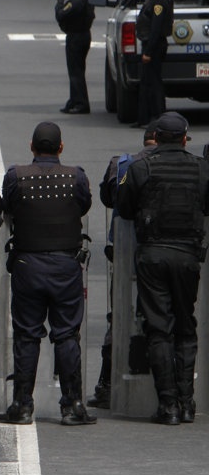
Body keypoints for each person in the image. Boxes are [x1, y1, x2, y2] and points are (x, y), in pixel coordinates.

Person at [0, 122, 94, 426]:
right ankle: (73, 405)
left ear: (32, 146)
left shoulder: (16, 176)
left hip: (28, 265)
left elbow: (8, 207)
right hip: (65, 266)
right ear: (61, 147)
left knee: (27, 335)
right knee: (66, 334)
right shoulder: (76, 176)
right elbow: (83, 205)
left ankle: (22, 406)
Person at [116, 112, 209, 425]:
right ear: (184, 139)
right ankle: (187, 402)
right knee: (185, 326)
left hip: (153, 254)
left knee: (158, 329)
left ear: (155, 138)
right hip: (187, 256)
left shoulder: (140, 167)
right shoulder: (201, 167)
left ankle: (168, 405)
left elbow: (124, 207)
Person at [89, 122, 158, 408]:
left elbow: (108, 199)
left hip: (124, 253)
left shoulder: (122, 164)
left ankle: (107, 385)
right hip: (165, 252)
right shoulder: (187, 165)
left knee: (119, 316)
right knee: (164, 318)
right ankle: (170, 389)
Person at [55, 0, 94, 115]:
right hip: (85, 35)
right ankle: (74, 99)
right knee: (78, 70)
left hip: (76, 37)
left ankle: (81, 103)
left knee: (75, 71)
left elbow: (60, 14)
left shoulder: (76, 2)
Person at [135, 0, 174, 127]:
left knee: (154, 82)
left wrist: (148, 52)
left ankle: (158, 117)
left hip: (155, 46)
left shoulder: (159, 2)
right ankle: (143, 118)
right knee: (146, 82)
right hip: (151, 45)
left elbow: (156, 29)